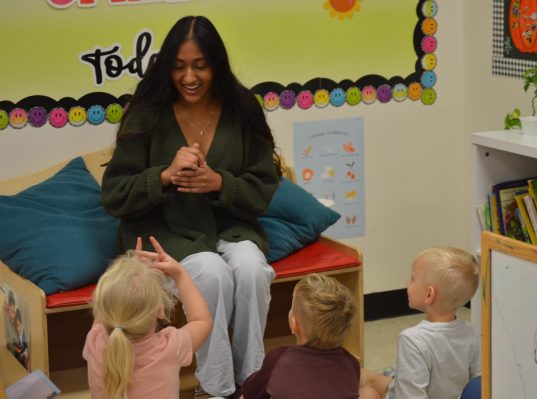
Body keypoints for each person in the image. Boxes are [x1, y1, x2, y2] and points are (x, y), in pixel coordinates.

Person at [100, 15, 281, 398]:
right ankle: (215, 390)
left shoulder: (243, 109)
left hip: (232, 231)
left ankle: (252, 382)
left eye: (200, 66)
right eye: (179, 67)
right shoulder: (146, 113)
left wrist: (220, 183)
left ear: (216, 64)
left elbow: (262, 193)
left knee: (250, 269)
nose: (189, 77)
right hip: (166, 237)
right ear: (167, 67)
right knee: (210, 272)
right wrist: (163, 176)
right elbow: (115, 196)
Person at [83, 236, 212, 399]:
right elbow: (202, 320)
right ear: (160, 311)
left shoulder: (95, 341)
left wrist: (128, 275)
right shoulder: (169, 347)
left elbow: (108, 305)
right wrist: (179, 274)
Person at [360, 247, 481, 399]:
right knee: (373, 377)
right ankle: (372, 376)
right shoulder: (471, 332)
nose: (407, 282)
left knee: (367, 390)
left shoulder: (412, 339)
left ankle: (368, 378)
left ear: (429, 294)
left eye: (412, 278)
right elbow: (479, 380)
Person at [241, 273, 360, 399]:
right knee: (369, 391)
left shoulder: (278, 359)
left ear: (294, 324)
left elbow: (250, 393)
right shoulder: (351, 363)